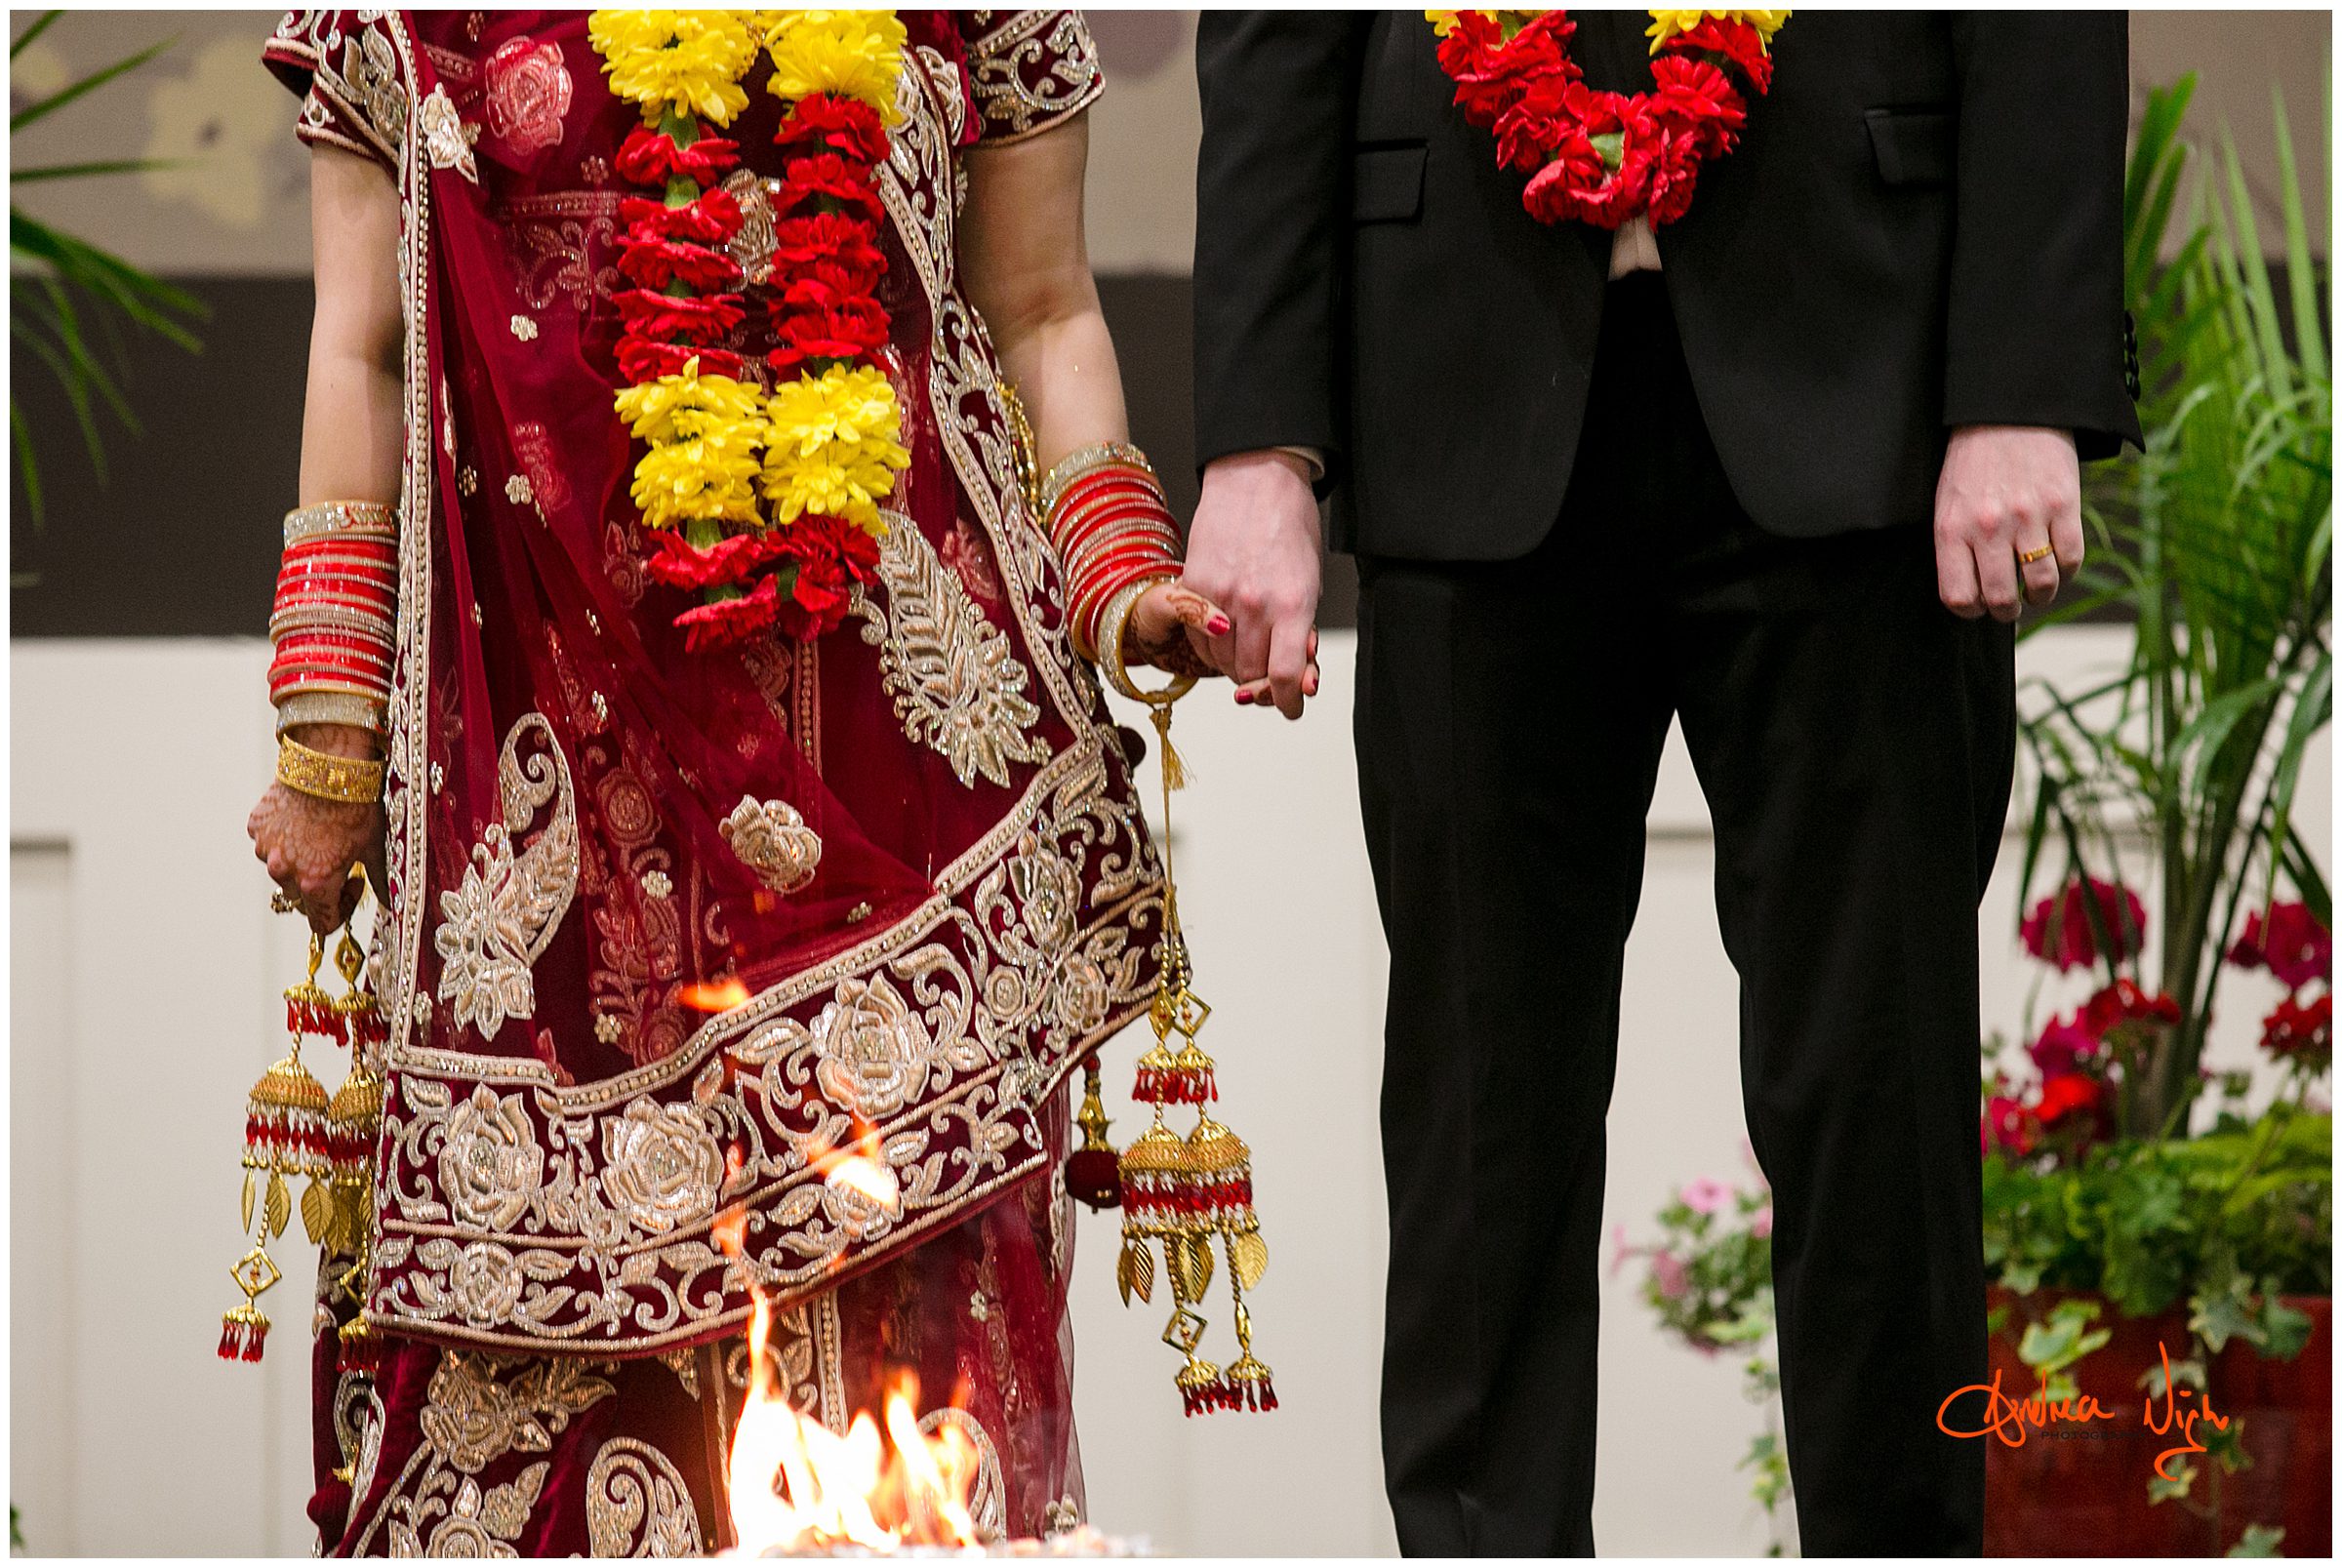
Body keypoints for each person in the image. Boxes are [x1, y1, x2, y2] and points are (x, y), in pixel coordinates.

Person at [246, 9, 1220, 1554]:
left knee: (922, 1373)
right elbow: (361, 350)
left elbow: (1040, 308)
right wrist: (328, 733)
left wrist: (1119, 579)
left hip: (908, 781)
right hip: (553, 774)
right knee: (561, 1397)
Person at [1187, 10, 2139, 1556]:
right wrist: (1261, 442)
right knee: (1476, 1120)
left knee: (1876, 1102)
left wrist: (2022, 371)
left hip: (1869, 379)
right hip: (1457, 368)